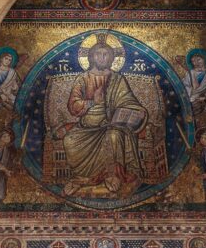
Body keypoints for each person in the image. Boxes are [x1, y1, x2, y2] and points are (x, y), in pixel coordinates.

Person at [60, 35, 148, 196]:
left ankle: (113, 176)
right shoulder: (83, 78)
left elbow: (127, 100)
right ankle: (80, 179)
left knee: (113, 135)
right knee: (69, 140)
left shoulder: (117, 79)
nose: (102, 57)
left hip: (111, 125)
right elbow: (72, 106)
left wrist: (137, 111)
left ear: (111, 58)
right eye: (98, 54)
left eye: (106, 54)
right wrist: (92, 102)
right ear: (91, 57)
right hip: (87, 127)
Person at [183, 49, 206, 114]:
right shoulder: (190, 73)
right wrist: (190, 92)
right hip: (189, 98)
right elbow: (184, 85)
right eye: (193, 61)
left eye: (199, 60)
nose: (196, 63)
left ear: (205, 59)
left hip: (201, 100)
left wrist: (205, 97)